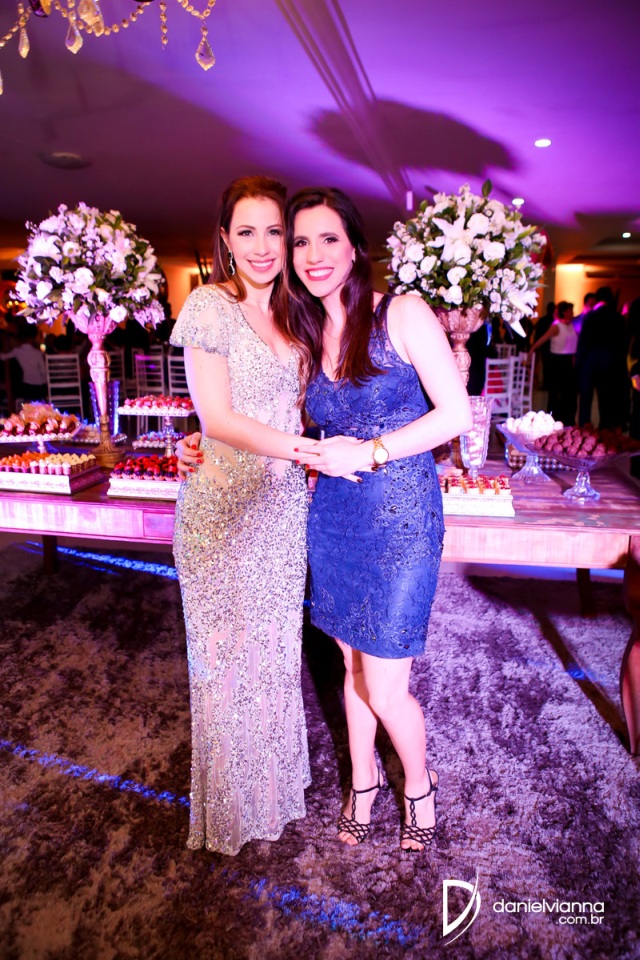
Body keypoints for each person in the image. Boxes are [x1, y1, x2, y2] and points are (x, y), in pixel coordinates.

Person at [180, 187, 471, 851]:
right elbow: (255, 410)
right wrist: (200, 438)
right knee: (351, 667)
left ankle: (420, 787)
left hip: (400, 517)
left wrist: (370, 450)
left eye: (327, 239)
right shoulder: (305, 330)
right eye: (301, 241)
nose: (313, 255)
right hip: (334, 516)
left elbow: (455, 414)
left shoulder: (402, 313)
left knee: (387, 683)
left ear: (356, 246)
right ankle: (363, 784)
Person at [170, 175, 317, 856]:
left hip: (282, 512)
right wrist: (308, 450)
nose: (262, 246)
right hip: (223, 512)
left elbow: (303, 404)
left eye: (274, 231)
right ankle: (231, 808)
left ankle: (274, 794)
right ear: (225, 239)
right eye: (247, 231)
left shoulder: (299, 312)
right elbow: (219, 420)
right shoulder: (209, 305)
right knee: (225, 663)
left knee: (277, 654)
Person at [576, 286, 628, 428]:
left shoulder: (590, 316)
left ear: (597, 298)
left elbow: (583, 343)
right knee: (606, 401)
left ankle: (585, 429)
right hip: (610, 364)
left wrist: (579, 364)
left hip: (589, 363)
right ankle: (605, 431)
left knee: (585, 400)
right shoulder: (618, 317)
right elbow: (623, 343)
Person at [529, 301, 577, 425]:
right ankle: (553, 419)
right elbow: (543, 338)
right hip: (558, 362)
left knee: (569, 393)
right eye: (570, 311)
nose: (572, 313)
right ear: (563, 312)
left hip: (568, 361)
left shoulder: (571, 326)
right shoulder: (556, 326)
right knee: (556, 393)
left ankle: (567, 420)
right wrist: (532, 349)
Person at [0, 318, 47, 402]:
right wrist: (45, 381)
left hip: (27, 386)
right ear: (31, 339)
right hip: (40, 386)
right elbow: (43, 371)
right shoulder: (38, 353)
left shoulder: (17, 351)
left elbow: (3, 357)